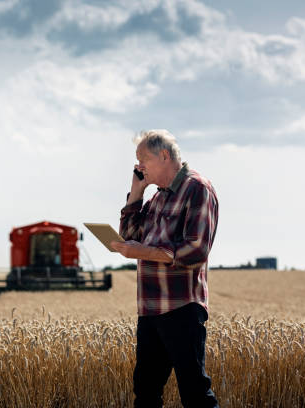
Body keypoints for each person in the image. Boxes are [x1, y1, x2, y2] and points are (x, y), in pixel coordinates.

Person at [110, 129, 219, 408]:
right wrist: (136, 192)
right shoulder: (156, 198)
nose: (138, 167)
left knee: (194, 393)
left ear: (164, 155)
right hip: (150, 308)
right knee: (145, 393)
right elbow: (130, 234)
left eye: (142, 159)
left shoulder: (197, 188)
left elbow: (196, 249)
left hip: (181, 306)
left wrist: (143, 252)